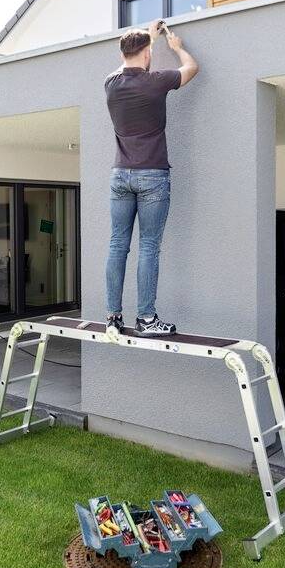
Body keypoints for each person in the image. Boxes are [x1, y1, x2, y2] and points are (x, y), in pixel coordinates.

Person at [104, 19, 199, 338]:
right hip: (153, 176)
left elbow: (128, 61)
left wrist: (148, 37)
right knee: (148, 246)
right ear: (146, 54)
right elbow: (192, 68)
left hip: (120, 175)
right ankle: (146, 319)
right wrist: (177, 47)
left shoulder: (110, 84)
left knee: (118, 244)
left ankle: (113, 317)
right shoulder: (157, 81)